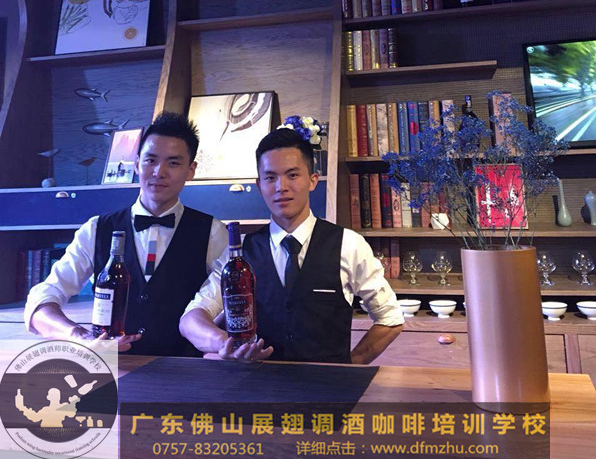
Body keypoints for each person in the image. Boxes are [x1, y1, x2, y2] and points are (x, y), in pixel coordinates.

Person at [180, 126, 403, 364]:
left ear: (313, 181)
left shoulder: (349, 245)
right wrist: (224, 343)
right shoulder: (240, 254)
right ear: (259, 185)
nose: (281, 187)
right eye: (270, 177)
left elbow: (390, 318)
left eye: (292, 175)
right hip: (258, 383)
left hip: (329, 386)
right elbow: (190, 319)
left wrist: (350, 365)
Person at [25, 111, 228, 356]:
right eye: (150, 160)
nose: (159, 171)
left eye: (173, 163)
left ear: (191, 170)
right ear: (137, 164)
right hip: (114, 366)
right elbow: (42, 300)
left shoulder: (213, 232)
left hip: (185, 368)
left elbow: (224, 303)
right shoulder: (97, 229)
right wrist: (79, 336)